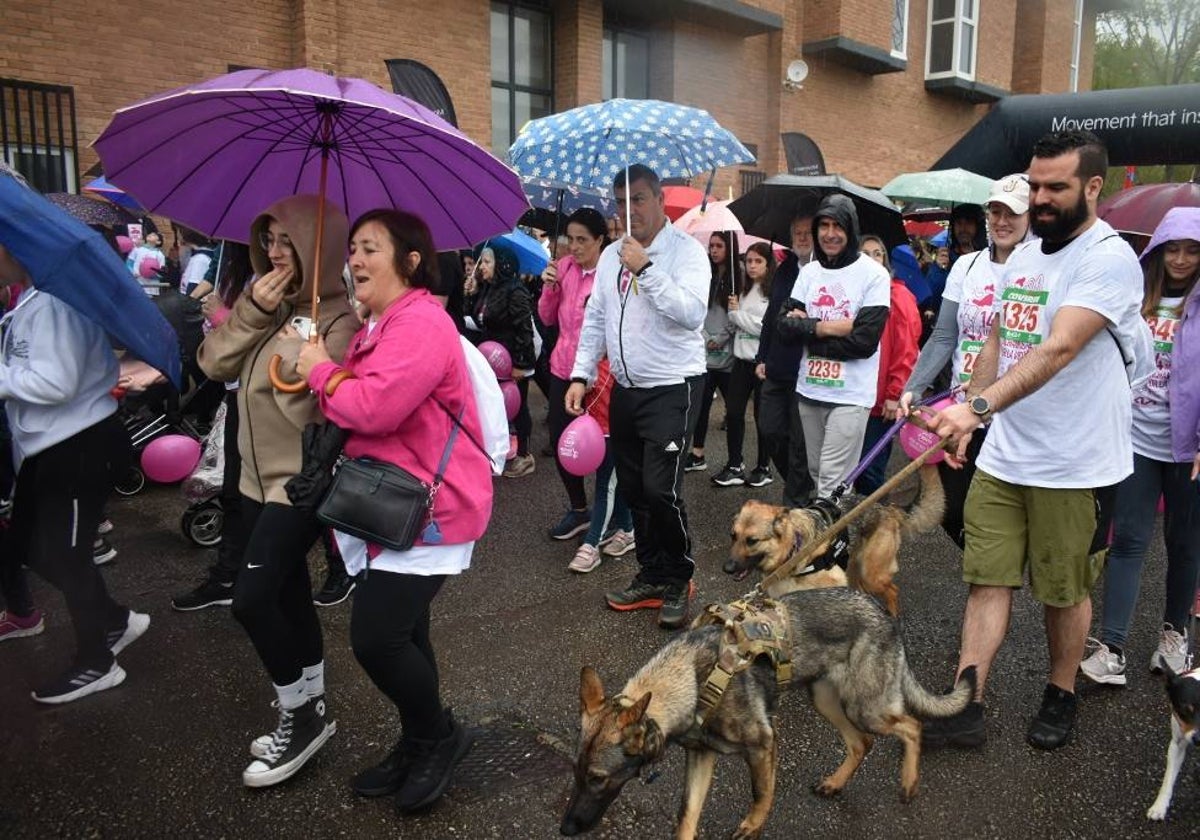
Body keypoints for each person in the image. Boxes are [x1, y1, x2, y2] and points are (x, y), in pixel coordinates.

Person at [924, 130, 1152, 751]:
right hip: (1005, 451)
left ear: (1092, 187)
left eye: (1057, 187)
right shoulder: (1024, 254)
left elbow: (1059, 347)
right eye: (1036, 185)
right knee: (987, 578)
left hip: (1074, 462)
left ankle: (1061, 692)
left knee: (1063, 589)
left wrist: (975, 410)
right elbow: (999, 340)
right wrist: (970, 412)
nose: (1042, 198)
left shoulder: (1107, 259)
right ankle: (964, 702)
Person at [297, 208, 492, 813]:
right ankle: (417, 739)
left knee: (376, 639)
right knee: (405, 631)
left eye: (370, 249)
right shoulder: (382, 324)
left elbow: (374, 406)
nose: (354, 259)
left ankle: (437, 736)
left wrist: (320, 372)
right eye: (352, 248)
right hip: (393, 504)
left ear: (410, 262)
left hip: (431, 506)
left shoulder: (420, 325)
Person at [197, 194, 358, 787]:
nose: (273, 251)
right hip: (250, 480)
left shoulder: (341, 320)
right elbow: (213, 365)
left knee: (251, 599)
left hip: (301, 485)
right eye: (268, 239)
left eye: (288, 241)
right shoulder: (264, 304)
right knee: (288, 593)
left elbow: (333, 405)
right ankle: (311, 700)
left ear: (320, 249)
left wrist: (317, 357)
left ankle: (301, 714)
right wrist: (250, 314)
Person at [0, 231, 145, 703]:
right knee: (27, 545)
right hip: (51, 447)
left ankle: (97, 662)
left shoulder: (52, 304)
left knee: (67, 554)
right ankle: (115, 620)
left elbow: (56, 383)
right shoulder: (30, 301)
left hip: (79, 445)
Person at [566, 163, 710, 630]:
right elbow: (596, 318)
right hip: (625, 388)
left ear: (659, 201)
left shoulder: (686, 253)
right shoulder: (610, 256)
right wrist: (580, 373)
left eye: (640, 199)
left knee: (660, 488)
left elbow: (690, 313)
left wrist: (645, 269)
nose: (631, 211)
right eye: (622, 202)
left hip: (673, 386)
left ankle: (679, 577)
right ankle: (651, 572)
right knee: (633, 488)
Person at [1080, 207, 1200, 685]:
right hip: (1133, 438)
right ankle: (1112, 647)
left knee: (1184, 543)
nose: (1181, 259)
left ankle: (1174, 634)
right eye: (1173, 248)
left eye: (1193, 250)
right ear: (1157, 252)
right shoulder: (1138, 300)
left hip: (1188, 447)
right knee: (1127, 540)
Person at [898, 174, 1033, 546]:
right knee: (953, 508)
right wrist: (914, 385)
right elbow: (944, 335)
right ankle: (991, 570)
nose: (1002, 221)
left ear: (1030, 217)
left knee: (1001, 510)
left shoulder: (1038, 267)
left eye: (1013, 213)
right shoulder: (967, 266)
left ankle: (994, 578)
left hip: (1012, 413)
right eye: (996, 211)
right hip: (962, 407)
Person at [777, 195, 891, 500]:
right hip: (810, 390)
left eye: (837, 226)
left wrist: (807, 332)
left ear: (851, 230)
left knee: (831, 481)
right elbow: (784, 328)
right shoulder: (809, 272)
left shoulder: (874, 275)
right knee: (817, 474)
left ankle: (829, 547)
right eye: (823, 225)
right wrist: (826, 327)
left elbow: (864, 342)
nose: (829, 233)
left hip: (851, 395)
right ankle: (839, 540)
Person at [538, 208, 608, 540]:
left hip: (601, 375)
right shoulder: (562, 267)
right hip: (562, 369)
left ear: (600, 240)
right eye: (570, 239)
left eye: (583, 240)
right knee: (562, 442)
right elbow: (548, 319)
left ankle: (610, 515)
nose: (574, 247)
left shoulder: (610, 273)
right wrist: (549, 288)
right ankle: (579, 509)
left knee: (607, 450)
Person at [755, 214, 818, 507]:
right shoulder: (785, 269)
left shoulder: (822, 272)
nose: (802, 238)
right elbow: (770, 317)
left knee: (799, 445)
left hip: (805, 370)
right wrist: (761, 356)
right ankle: (800, 485)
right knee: (769, 431)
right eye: (797, 233)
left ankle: (796, 505)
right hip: (776, 367)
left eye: (807, 233)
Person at [853, 235, 920, 495]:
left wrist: (894, 394)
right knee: (850, 471)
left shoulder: (899, 296)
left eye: (877, 253)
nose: (872, 259)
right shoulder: (854, 294)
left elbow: (907, 350)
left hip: (881, 402)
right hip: (854, 396)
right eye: (865, 253)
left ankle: (880, 531)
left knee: (869, 471)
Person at [468, 244, 536, 478]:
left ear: (501, 265)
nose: (482, 267)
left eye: (487, 262)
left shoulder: (515, 290)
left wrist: (521, 363)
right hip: (493, 359)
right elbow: (479, 321)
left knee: (519, 407)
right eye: (482, 262)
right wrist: (471, 293)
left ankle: (525, 456)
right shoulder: (486, 288)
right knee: (495, 407)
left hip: (514, 359)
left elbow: (524, 329)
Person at [566, 357, 636, 573]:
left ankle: (591, 544)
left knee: (606, 486)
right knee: (616, 483)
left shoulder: (627, 356)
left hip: (620, 431)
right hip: (596, 433)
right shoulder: (590, 359)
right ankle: (628, 530)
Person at [686, 231, 740, 481]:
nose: (714, 250)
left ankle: (735, 462)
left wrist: (720, 338)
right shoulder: (704, 272)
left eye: (720, 246)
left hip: (728, 354)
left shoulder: (737, 273)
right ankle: (697, 454)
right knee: (701, 405)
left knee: (734, 410)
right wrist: (707, 335)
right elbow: (697, 308)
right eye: (712, 246)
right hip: (705, 352)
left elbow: (737, 313)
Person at [722, 241, 776, 488]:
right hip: (740, 362)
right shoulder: (742, 291)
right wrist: (732, 310)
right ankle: (735, 464)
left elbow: (764, 328)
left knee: (762, 417)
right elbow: (738, 326)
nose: (752, 266)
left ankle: (764, 467)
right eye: (749, 261)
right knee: (733, 413)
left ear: (768, 264)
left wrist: (737, 316)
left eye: (758, 261)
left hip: (761, 363)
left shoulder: (772, 293)